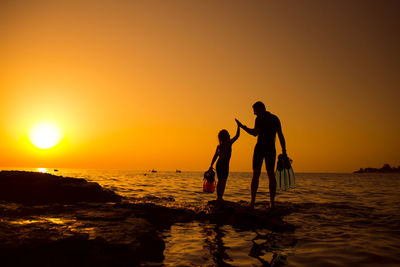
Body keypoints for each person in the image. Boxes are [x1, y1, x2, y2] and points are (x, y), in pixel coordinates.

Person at [236, 101, 286, 208]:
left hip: (260, 148)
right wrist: (284, 151)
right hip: (271, 148)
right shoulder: (275, 118)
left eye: (255, 110)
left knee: (256, 175)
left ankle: (252, 202)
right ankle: (272, 203)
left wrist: (243, 127)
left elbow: (255, 133)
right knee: (271, 174)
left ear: (260, 109)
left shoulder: (259, 119)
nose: (254, 113)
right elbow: (281, 135)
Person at [209, 121, 240, 203]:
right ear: (225, 137)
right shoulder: (228, 143)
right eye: (228, 134)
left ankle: (219, 197)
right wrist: (239, 126)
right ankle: (220, 198)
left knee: (220, 181)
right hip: (224, 165)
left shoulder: (219, 146)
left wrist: (211, 165)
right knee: (223, 181)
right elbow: (237, 136)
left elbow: (215, 156)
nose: (229, 135)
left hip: (218, 164)